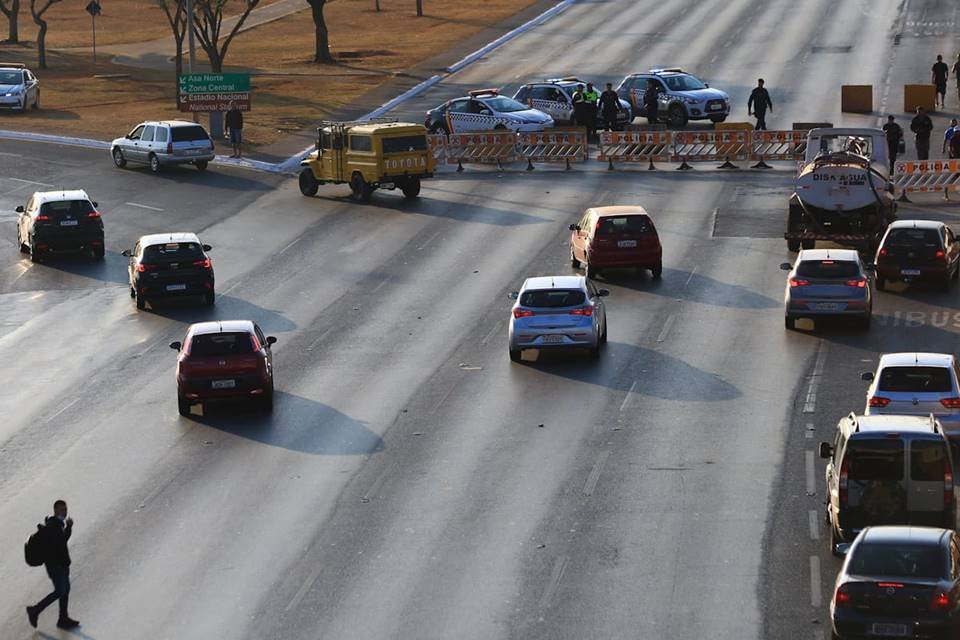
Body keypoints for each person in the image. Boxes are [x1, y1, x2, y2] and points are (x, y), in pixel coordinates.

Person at [26, 500, 78, 630]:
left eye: (65, 510)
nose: (64, 512)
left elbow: (61, 541)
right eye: (61, 510)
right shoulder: (52, 526)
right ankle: (35, 610)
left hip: (60, 565)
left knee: (65, 590)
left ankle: (63, 618)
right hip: (56, 566)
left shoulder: (57, 525)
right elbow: (56, 546)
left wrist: (68, 527)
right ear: (55, 511)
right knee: (60, 591)